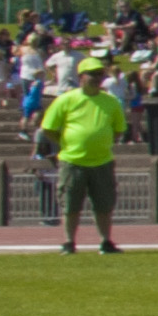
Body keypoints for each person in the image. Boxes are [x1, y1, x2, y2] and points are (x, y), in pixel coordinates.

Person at [42, 54, 126, 252]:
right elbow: (49, 128)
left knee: (104, 205)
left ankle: (105, 241)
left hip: (102, 161)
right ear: (81, 76)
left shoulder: (111, 101)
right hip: (73, 161)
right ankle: (69, 242)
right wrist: (66, 143)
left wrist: (101, 141)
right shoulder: (66, 100)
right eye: (92, 74)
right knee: (70, 204)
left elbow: (118, 129)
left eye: (100, 74)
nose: (97, 78)